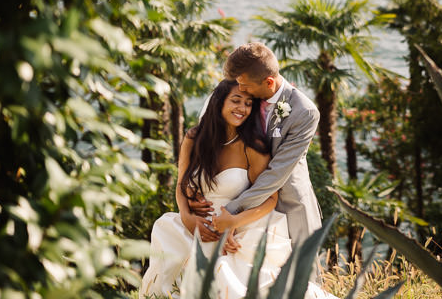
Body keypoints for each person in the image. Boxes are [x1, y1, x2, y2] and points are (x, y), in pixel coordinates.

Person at [139, 80, 335, 298]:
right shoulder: (193, 139)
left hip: (242, 227)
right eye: (236, 100)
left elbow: (270, 199)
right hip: (198, 225)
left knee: (229, 281)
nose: (242, 108)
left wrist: (233, 222)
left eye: (248, 103)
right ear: (219, 102)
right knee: (166, 228)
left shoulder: (252, 146)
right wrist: (187, 217)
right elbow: (181, 185)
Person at [190, 42, 322, 250]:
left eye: (245, 86)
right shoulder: (245, 95)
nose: (240, 89)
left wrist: (231, 213)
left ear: (269, 82)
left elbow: (277, 173)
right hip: (237, 193)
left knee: (300, 274)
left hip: (288, 203)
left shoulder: (304, 112)